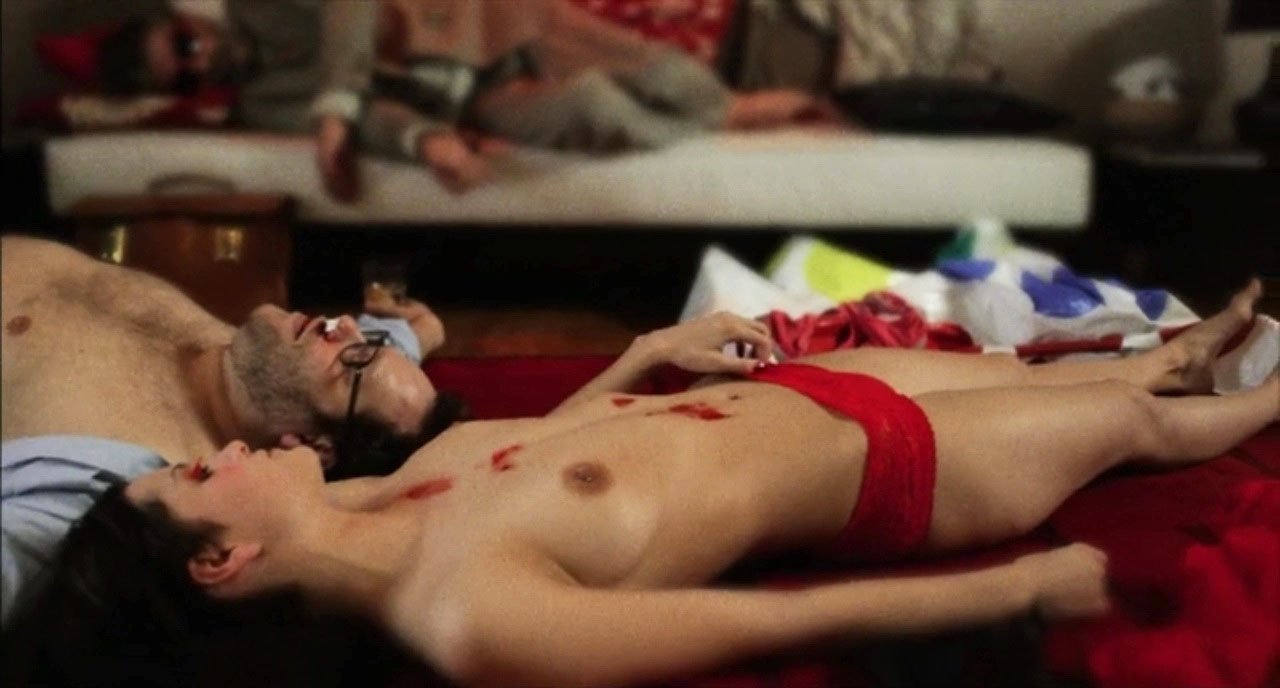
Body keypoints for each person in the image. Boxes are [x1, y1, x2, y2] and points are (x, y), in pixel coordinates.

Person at [12, 281, 1275, 686]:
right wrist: (1015, 588)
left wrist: (644, 353)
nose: (224, 450)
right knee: (1131, 426)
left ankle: (1173, 354)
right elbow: (756, 624)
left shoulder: (376, 500)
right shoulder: (461, 614)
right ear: (219, 559)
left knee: (1058, 369)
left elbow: (543, 449)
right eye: (201, 473)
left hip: (799, 395)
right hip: (886, 470)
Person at [0, 235, 452, 624]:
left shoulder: (127, 490)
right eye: (369, 341)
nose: (345, 324)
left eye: (356, 359)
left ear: (314, 447)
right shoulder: (268, 361)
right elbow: (382, 380)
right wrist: (416, 334)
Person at [96, 0, 838, 197]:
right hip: (466, 104)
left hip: (467, 22)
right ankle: (719, 132)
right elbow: (374, 123)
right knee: (594, 107)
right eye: (184, 76)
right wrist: (424, 140)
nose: (202, 61)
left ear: (189, 20)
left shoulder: (258, 6)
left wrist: (338, 99)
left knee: (635, 62)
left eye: (185, 45)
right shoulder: (260, 105)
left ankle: (731, 109)